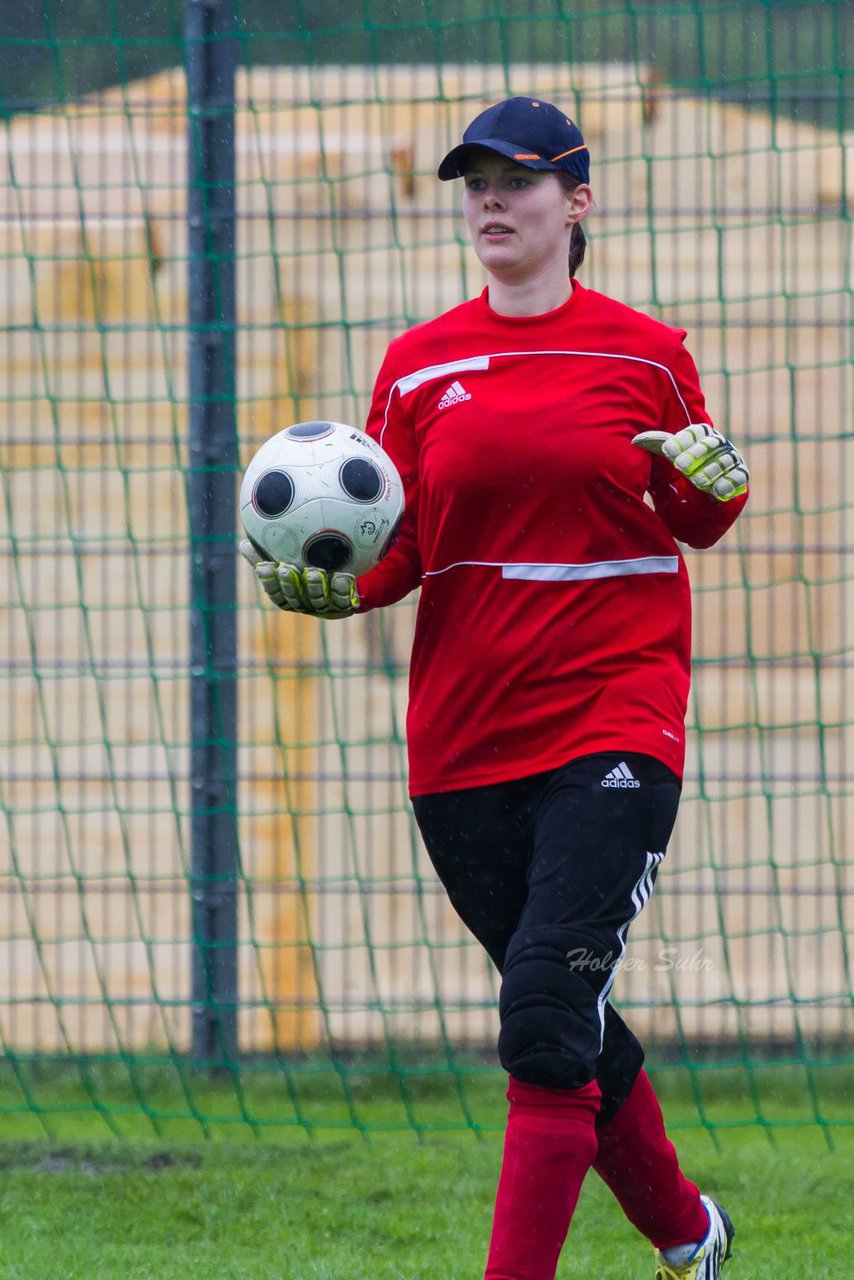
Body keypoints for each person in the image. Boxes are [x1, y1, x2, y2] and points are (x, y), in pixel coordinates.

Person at [241, 95, 748, 1280]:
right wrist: (341, 591)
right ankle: (687, 1232)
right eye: (472, 181)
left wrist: (714, 492)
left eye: (513, 181)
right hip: (461, 743)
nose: (487, 200)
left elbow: (692, 515)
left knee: (535, 1013)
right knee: (558, 1017)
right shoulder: (416, 364)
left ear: (575, 202)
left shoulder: (647, 352)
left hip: (612, 719)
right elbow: (397, 541)